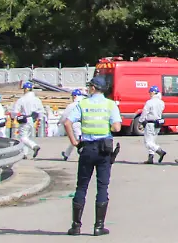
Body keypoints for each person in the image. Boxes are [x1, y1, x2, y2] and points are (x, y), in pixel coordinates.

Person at [64, 74, 121, 237]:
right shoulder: (110, 105)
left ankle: (76, 226)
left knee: (81, 186)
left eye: (90, 86)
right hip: (104, 149)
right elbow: (117, 127)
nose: (88, 89)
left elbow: (67, 122)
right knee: (102, 187)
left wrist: (74, 142)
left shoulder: (83, 104)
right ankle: (98, 227)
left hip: (87, 148)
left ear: (94, 88)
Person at [12, 81, 44, 159]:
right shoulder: (37, 99)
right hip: (33, 120)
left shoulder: (22, 99)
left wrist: (14, 117)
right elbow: (41, 111)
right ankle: (24, 153)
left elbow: (15, 111)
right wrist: (39, 120)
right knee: (27, 136)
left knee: (23, 137)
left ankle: (34, 146)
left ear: (25, 89)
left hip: (25, 119)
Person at [139, 86, 167, 164]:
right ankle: (150, 158)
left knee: (148, 142)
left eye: (150, 92)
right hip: (158, 123)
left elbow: (144, 112)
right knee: (152, 141)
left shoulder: (149, 102)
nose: (149, 94)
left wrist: (141, 121)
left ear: (153, 92)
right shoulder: (161, 102)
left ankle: (160, 151)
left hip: (150, 123)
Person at [61, 89, 85, 162]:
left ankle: (83, 153)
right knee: (75, 139)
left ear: (74, 96)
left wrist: (61, 122)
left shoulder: (71, 105)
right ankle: (66, 154)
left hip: (75, 123)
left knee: (78, 140)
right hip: (84, 123)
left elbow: (65, 115)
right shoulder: (85, 103)